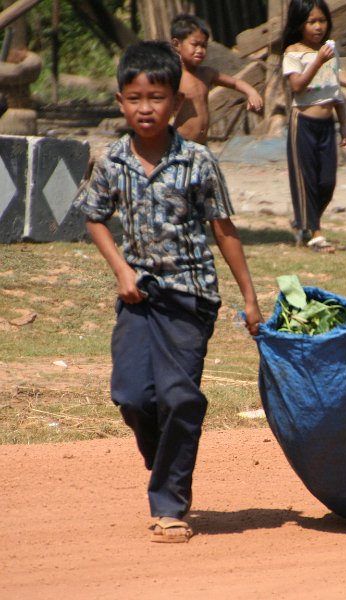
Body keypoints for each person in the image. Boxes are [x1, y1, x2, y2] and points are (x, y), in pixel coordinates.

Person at [73, 40, 263, 543]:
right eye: (135, 98)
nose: (145, 108)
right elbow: (93, 217)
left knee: (179, 398)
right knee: (133, 396)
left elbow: (224, 230)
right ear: (120, 101)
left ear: (176, 103)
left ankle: (170, 504)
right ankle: (166, 465)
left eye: (156, 98)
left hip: (190, 297)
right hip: (137, 297)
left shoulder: (198, 161)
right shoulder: (112, 159)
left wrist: (249, 298)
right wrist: (121, 271)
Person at [281, 0, 346, 253]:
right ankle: (316, 234)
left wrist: (343, 124)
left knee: (327, 182)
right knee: (306, 180)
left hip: (327, 125)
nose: (318, 26)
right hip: (304, 123)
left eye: (322, 21)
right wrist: (317, 61)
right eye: (312, 21)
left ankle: (304, 222)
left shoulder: (329, 52)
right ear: (300, 24)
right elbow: (297, 86)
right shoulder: (293, 52)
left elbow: (335, 90)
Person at [171, 13, 264, 144]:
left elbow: (235, 82)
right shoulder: (174, 76)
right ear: (176, 44)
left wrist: (251, 92)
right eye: (194, 44)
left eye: (203, 46)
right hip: (181, 144)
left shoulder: (207, 74)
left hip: (202, 144)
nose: (200, 50)